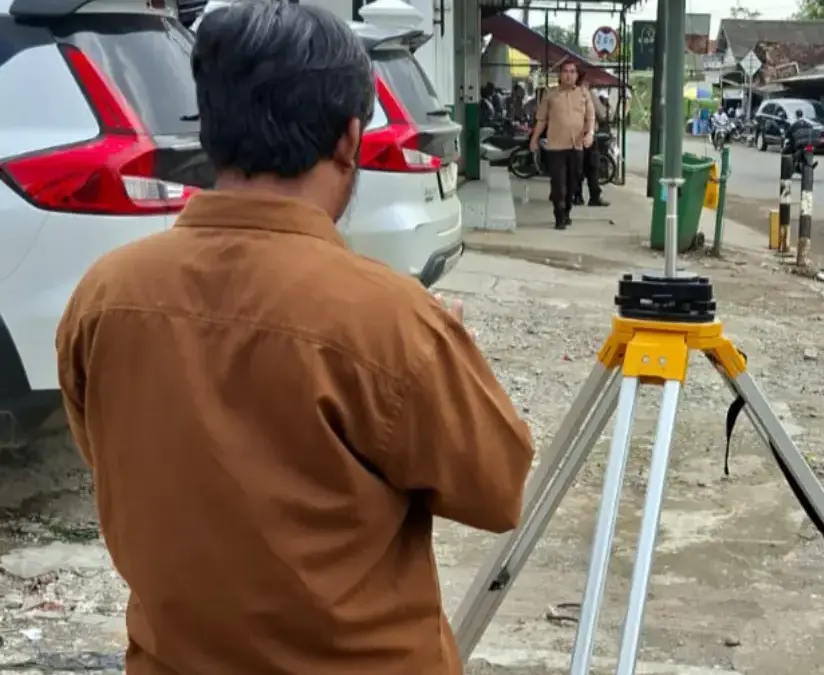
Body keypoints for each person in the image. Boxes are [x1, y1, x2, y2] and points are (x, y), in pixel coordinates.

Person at [54, 4, 534, 675]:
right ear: (348, 139)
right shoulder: (389, 320)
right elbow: (498, 486)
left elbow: (106, 452)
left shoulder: (103, 296)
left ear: (211, 127)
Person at [530, 61, 594, 229]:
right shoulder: (550, 95)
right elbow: (542, 119)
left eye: (572, 71)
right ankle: (559, 215)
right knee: (558, 183)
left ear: (577, 75)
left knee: (573, 182)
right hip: (556, 147)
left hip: (577, 146)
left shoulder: (583, 94)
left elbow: (590, 118)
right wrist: (534, 139)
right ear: (560, 75)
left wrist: (590, 134)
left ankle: (566, 211)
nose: (568, 75)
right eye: (565, 71)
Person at [572, 72, 610, 207]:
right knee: (592, 168)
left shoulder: (569, 94)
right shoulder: (588, 94)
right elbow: (602, 114)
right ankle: (594, 197)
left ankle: (577, 196)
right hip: (588, 135)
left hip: (574, 136)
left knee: (577, 167)